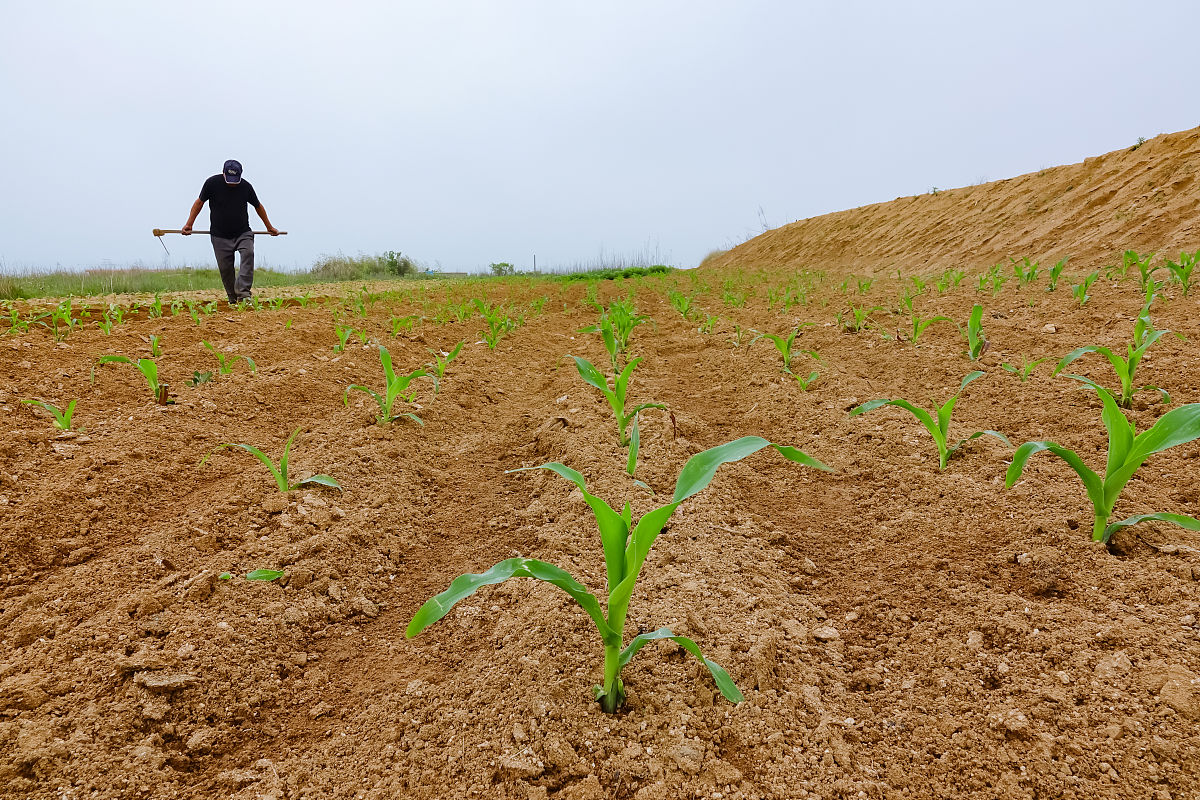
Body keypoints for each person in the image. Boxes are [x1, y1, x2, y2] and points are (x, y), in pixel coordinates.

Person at [182, 160, 279, 305]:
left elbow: (258, 206)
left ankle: (244, 295)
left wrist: (269, 227)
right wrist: (189, 224)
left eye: (236, 180)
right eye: (229, 179)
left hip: (243, 233)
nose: (232, 183)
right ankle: (233, 299)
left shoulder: (246, 187)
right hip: (219, 235)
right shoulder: (211, 183)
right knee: (226, 269)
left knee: (248, 254)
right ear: (223, 173)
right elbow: (199, 203)